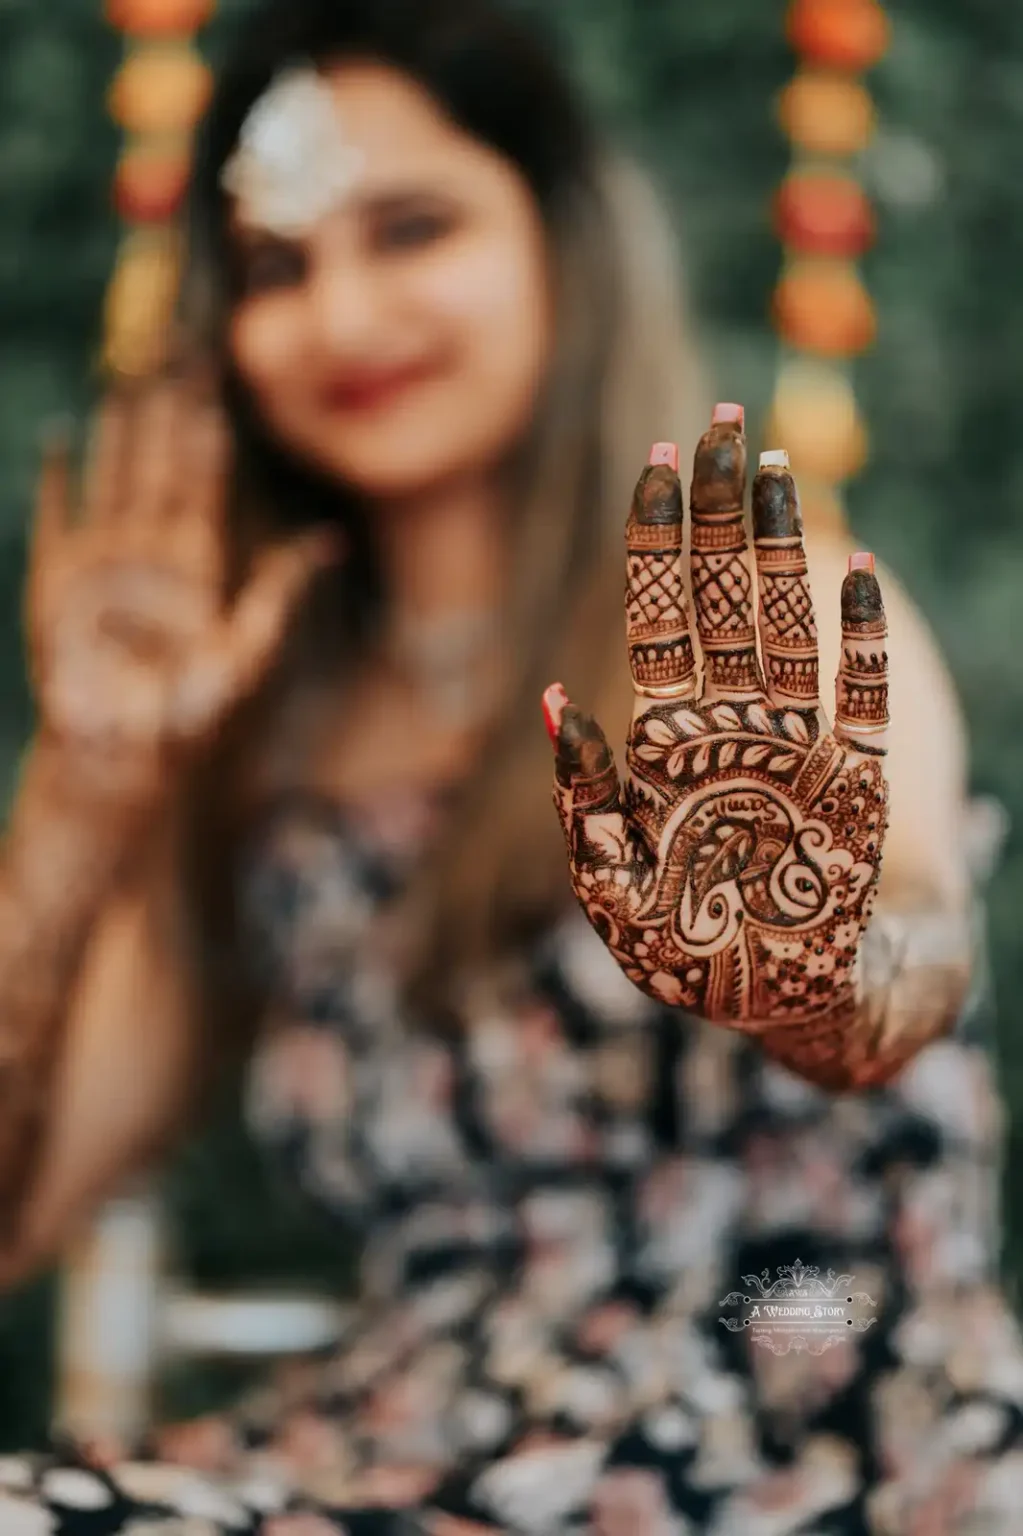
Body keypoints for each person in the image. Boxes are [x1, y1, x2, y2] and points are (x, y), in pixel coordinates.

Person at [0, 0, 1016, 1530]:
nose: (342, 317)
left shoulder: (766, 605)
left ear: (563, 241)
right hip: (409, 1430)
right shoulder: (263, 749)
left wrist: (807, 965)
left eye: (410, 229)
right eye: (279, 268)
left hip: (802, 1392)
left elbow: (912, 944)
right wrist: (81, 795)